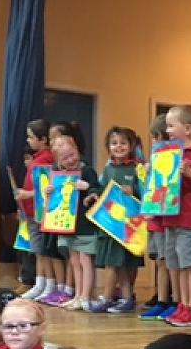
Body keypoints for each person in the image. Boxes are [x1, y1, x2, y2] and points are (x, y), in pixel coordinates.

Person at [158, 105, 191, 327]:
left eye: (172, 125)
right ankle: (182, 305)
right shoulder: (169, 154)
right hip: (171, 217)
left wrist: (189, 173)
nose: (168, 130)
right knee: (177, 265)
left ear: (188, 129)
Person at [45, 122, 101, 311]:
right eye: (65, 158)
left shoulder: (87, 171)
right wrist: (49, 192)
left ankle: (86, 295)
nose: (70, 160)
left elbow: (97, 190)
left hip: (85, 225)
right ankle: (78, 295)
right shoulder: (58, 175)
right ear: (58, 161)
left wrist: (89, 189)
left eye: (72, 154)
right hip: (67, 225)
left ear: (78, 150)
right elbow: (53, 202)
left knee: (86, 260)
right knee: (74, 260)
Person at [91, 126, 145, 314]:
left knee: (120, 263)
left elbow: (147, 194)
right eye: (114, 143)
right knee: (114, 262)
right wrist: (93, 195)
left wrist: (134, 191)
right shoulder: (108, 169)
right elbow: (100, 188)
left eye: (123, 143)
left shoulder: (137, 169)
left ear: (131, 146)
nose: (118, 147)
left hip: (129, 225)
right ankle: (124, 297)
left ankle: (110, 297)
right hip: (110, 223)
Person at [18, 120, 63, 303]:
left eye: (31, 137)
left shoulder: (45, 159)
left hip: (40, 212)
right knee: (38, 251)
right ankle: (41, 283)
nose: (28, 140)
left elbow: (45, 187)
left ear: (42, 139)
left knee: (43, 251)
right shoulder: (37, 158)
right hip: (31, 212)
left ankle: (48, 284)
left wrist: (27, 194)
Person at [140, 114, 178, 320]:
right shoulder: (153, 159)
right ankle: (162, 299)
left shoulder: (173, 157)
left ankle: (174, 301)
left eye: (157, 138)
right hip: (154, 217)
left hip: (167, 217)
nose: (154, 143)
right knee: (159, 261)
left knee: (169, 261)